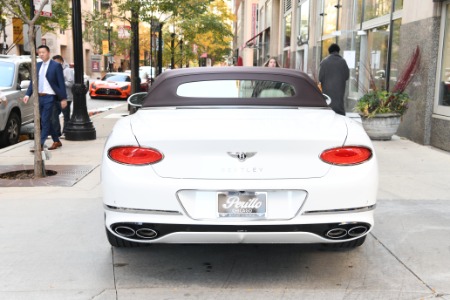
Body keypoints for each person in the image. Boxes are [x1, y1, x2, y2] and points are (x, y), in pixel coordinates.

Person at [23, 45, 68, 151]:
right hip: (39, 97)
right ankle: (56, 140)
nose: (41, 54)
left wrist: (63, 98)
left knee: (44, 120)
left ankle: (40, 145)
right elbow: (33, 82)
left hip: (50, 96)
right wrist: (27, 95)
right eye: (39, 52)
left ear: (48, 53)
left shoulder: (56, 66)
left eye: (43, 52)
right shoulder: (37, 65)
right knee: (46, 119)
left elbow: (61, 83)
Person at [318, 43, 350, 116]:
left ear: (329, 51)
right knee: (339, 111)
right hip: (339, 91)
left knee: (328, 106)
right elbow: (347, 76)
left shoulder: (324, 62)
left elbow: (320, 78)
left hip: (327, 91)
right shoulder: (343, 61)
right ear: (338, 51)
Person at [52, 55, 74, 136]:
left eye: (56, 62)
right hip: (56, 96)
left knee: (66, 115)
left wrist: (60, 84)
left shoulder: (67, 70)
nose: (54, 64)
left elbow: (71, 83)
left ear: (61, 61)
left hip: (66, 96)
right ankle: (56, 132)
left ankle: (65, 132)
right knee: (54, 115)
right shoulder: (55, 70)